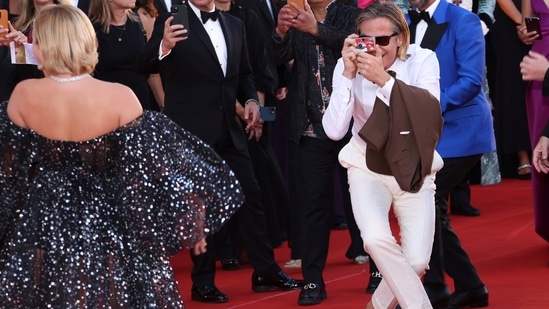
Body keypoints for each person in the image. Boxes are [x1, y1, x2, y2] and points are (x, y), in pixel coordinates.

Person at [0, 4, 244, 307]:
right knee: (115, 293)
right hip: (111, 216)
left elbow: (10, 175)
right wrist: (191, 219)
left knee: (56, 294)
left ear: (42, 45)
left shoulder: (24, 95)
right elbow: (154, 173)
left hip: (46, 217)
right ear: (88, 41)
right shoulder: (120, 97)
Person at [138, 0, 303, 303]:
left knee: (251, 196)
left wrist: (252, 101)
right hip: (191, 131)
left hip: (230, 128)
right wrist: (162, 45)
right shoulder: (172, 20)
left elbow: (244, 75)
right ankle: (202, 282)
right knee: (199, 208)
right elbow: (146, 65)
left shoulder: (234, 24)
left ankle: (265, 270)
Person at [323, 2, 443, 308]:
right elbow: (334, 131)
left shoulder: (423, 60)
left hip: (413, 165)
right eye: (366, 40)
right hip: (366, 165)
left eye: (383, 40)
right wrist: (348, 76)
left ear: (400, 37)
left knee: (415, 263)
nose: (375, 48)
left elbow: (429, 113)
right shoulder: (348, 66)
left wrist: (384, 80)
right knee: (375, 240)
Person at [271, 0, 372, 305]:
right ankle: (313, 280)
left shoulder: (352, 14)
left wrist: (316, 29)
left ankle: (379, 270)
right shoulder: (296, 13)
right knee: (313, 206)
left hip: (353, 125)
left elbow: (357, 46)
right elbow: (277, 57)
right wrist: (280, 31)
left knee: (364, 200)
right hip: (310, 126)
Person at [407, 0, 495, 307]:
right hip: (423, 132)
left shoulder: (463, 20)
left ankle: (442, 286)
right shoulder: (402, 22)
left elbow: (471, 81)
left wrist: (426, 107)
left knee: (426, 199)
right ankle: (464, 286)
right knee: (430, 205)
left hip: (462, 129)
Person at [88, 0, 164, 110]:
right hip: (109, 106)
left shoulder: (140, 21)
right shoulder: (92, 30)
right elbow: (87, 74)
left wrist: (163, 104)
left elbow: (151, 71)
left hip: (141, 103)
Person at [518, 0, 549, 242]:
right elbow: (528, 24)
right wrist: (525, 32)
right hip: (539, 62)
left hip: (545, 68)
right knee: (543, 143)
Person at [491, 0, 532, 180]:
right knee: (514, 86)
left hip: (535, 15)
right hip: (508, 21)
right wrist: (522, 24)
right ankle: (521, 155)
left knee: (537, 87)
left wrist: (529, 24)